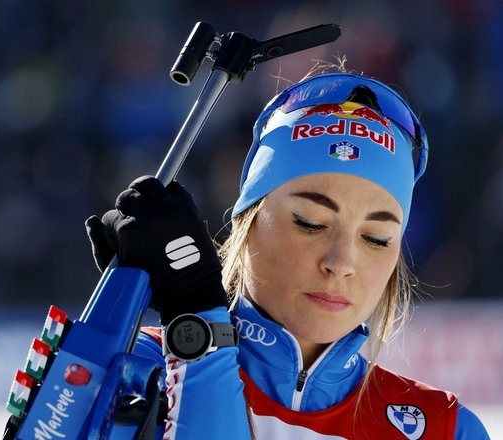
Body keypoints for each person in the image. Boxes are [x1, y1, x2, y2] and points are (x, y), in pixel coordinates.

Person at [85, 71, 491, 439]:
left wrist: (196, 322)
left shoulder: (444, 429)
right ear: (249, 218)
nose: (342, 263)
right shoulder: (123, 372)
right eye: (310, 222)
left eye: (377, 238)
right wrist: (195, 326)